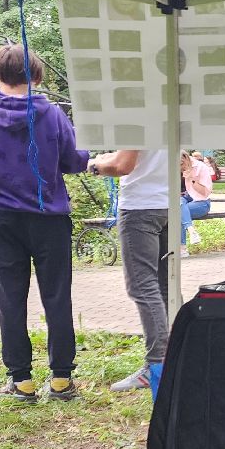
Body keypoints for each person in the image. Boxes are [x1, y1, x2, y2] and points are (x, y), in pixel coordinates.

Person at [0, 44, 90, 400]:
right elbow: (74, 162)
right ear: (37, 76)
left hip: (2, 218)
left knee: (9, 297)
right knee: (56, 296)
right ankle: (60, 379)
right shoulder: (53, 114)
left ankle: (21, 380)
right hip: (49, 218)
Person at [88, 147, 171, 392]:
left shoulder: (135, 114)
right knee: (164, 285)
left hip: (139, 207)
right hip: (168, 205)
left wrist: (94, 165)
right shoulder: (168, 110)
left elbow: (123, 165)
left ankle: (157, 364)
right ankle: (175, 360)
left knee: (143, 286)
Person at [179, 151, 213, 250]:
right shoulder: (177, 167)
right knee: (178, 205)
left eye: (182, 164)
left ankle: (182, 248)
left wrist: (191, 179)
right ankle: (191, 230)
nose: (181, 168)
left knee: (177, 213)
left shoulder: (201, 168)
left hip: (202, 203)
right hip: (185, 199)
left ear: (186, 158)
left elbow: (205, 193)